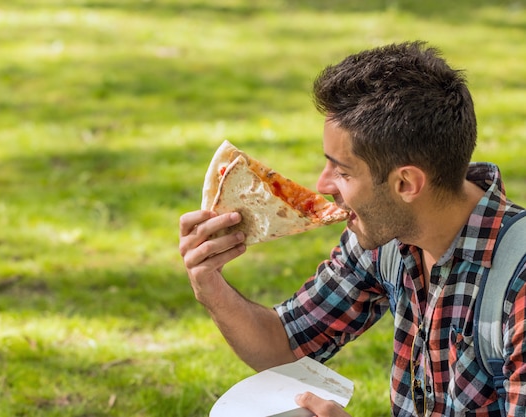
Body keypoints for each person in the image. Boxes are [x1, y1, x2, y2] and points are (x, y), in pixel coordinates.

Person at [178, 41, 526, 416]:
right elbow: (284, 347)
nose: (323, 185)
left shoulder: (517, 282)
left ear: (406, 183)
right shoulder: (385, 237)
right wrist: (209, 285)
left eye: (342, 171)